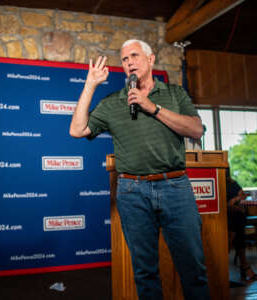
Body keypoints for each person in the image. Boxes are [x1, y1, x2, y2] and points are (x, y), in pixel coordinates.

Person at [69, 39, 210, 300]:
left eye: (134, 55)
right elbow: (77, 130)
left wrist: (152, 108)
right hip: (132, 192)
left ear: (151, 59)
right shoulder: (114, 102)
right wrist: (90, 85)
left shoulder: (174, 94)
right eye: (124, 59)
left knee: (193, 269)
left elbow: (196, 129)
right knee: (145, 273)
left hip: (175, 188)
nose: (130, 62)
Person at [226, 170, 257, 281]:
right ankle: (245, 266)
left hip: (236, 215)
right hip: (225, 216)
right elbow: (225, 204)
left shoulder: (233, 183)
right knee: (237, 221)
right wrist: (234, 201)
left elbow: (243, 195)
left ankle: (244, 266)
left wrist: (235, 200)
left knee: (238, 220)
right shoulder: (219, 183)